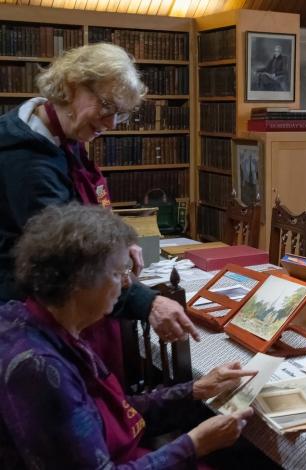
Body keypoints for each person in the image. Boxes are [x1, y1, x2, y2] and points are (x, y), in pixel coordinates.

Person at [0, 203, 257, 468]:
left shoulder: (44, 324)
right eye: (117, 272)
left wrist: (195, 389)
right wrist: (194, 444)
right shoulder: (39, 368)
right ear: (79, 282)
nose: (126, 283)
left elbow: (115, 411)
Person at [0, 43, 198, 381]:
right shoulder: (27, 160)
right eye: (107, 107)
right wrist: (148, 303)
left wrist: (120, 241)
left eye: (120, 114)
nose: (111, 123)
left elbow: (83, 208)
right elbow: (69, 257)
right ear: (73, 86)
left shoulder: (61, 131)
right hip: (36, 319)